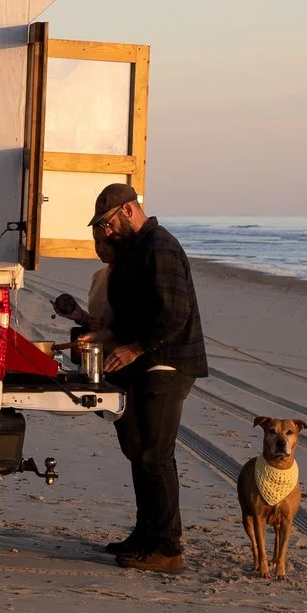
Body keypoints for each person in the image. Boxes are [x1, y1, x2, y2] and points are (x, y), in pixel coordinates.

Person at [70, 182, 206, 573]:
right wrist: (102, 335)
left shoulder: (160, 247)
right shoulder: (135, 251)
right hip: (142, 363)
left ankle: (168, 548)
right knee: (137, 450)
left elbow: (172, 316)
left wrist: (134, 348)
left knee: (155, 454)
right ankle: (145, 534)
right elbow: (130, 316)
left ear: (129, 210)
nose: (107, 232)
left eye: (109, 223)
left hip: (167, 364)